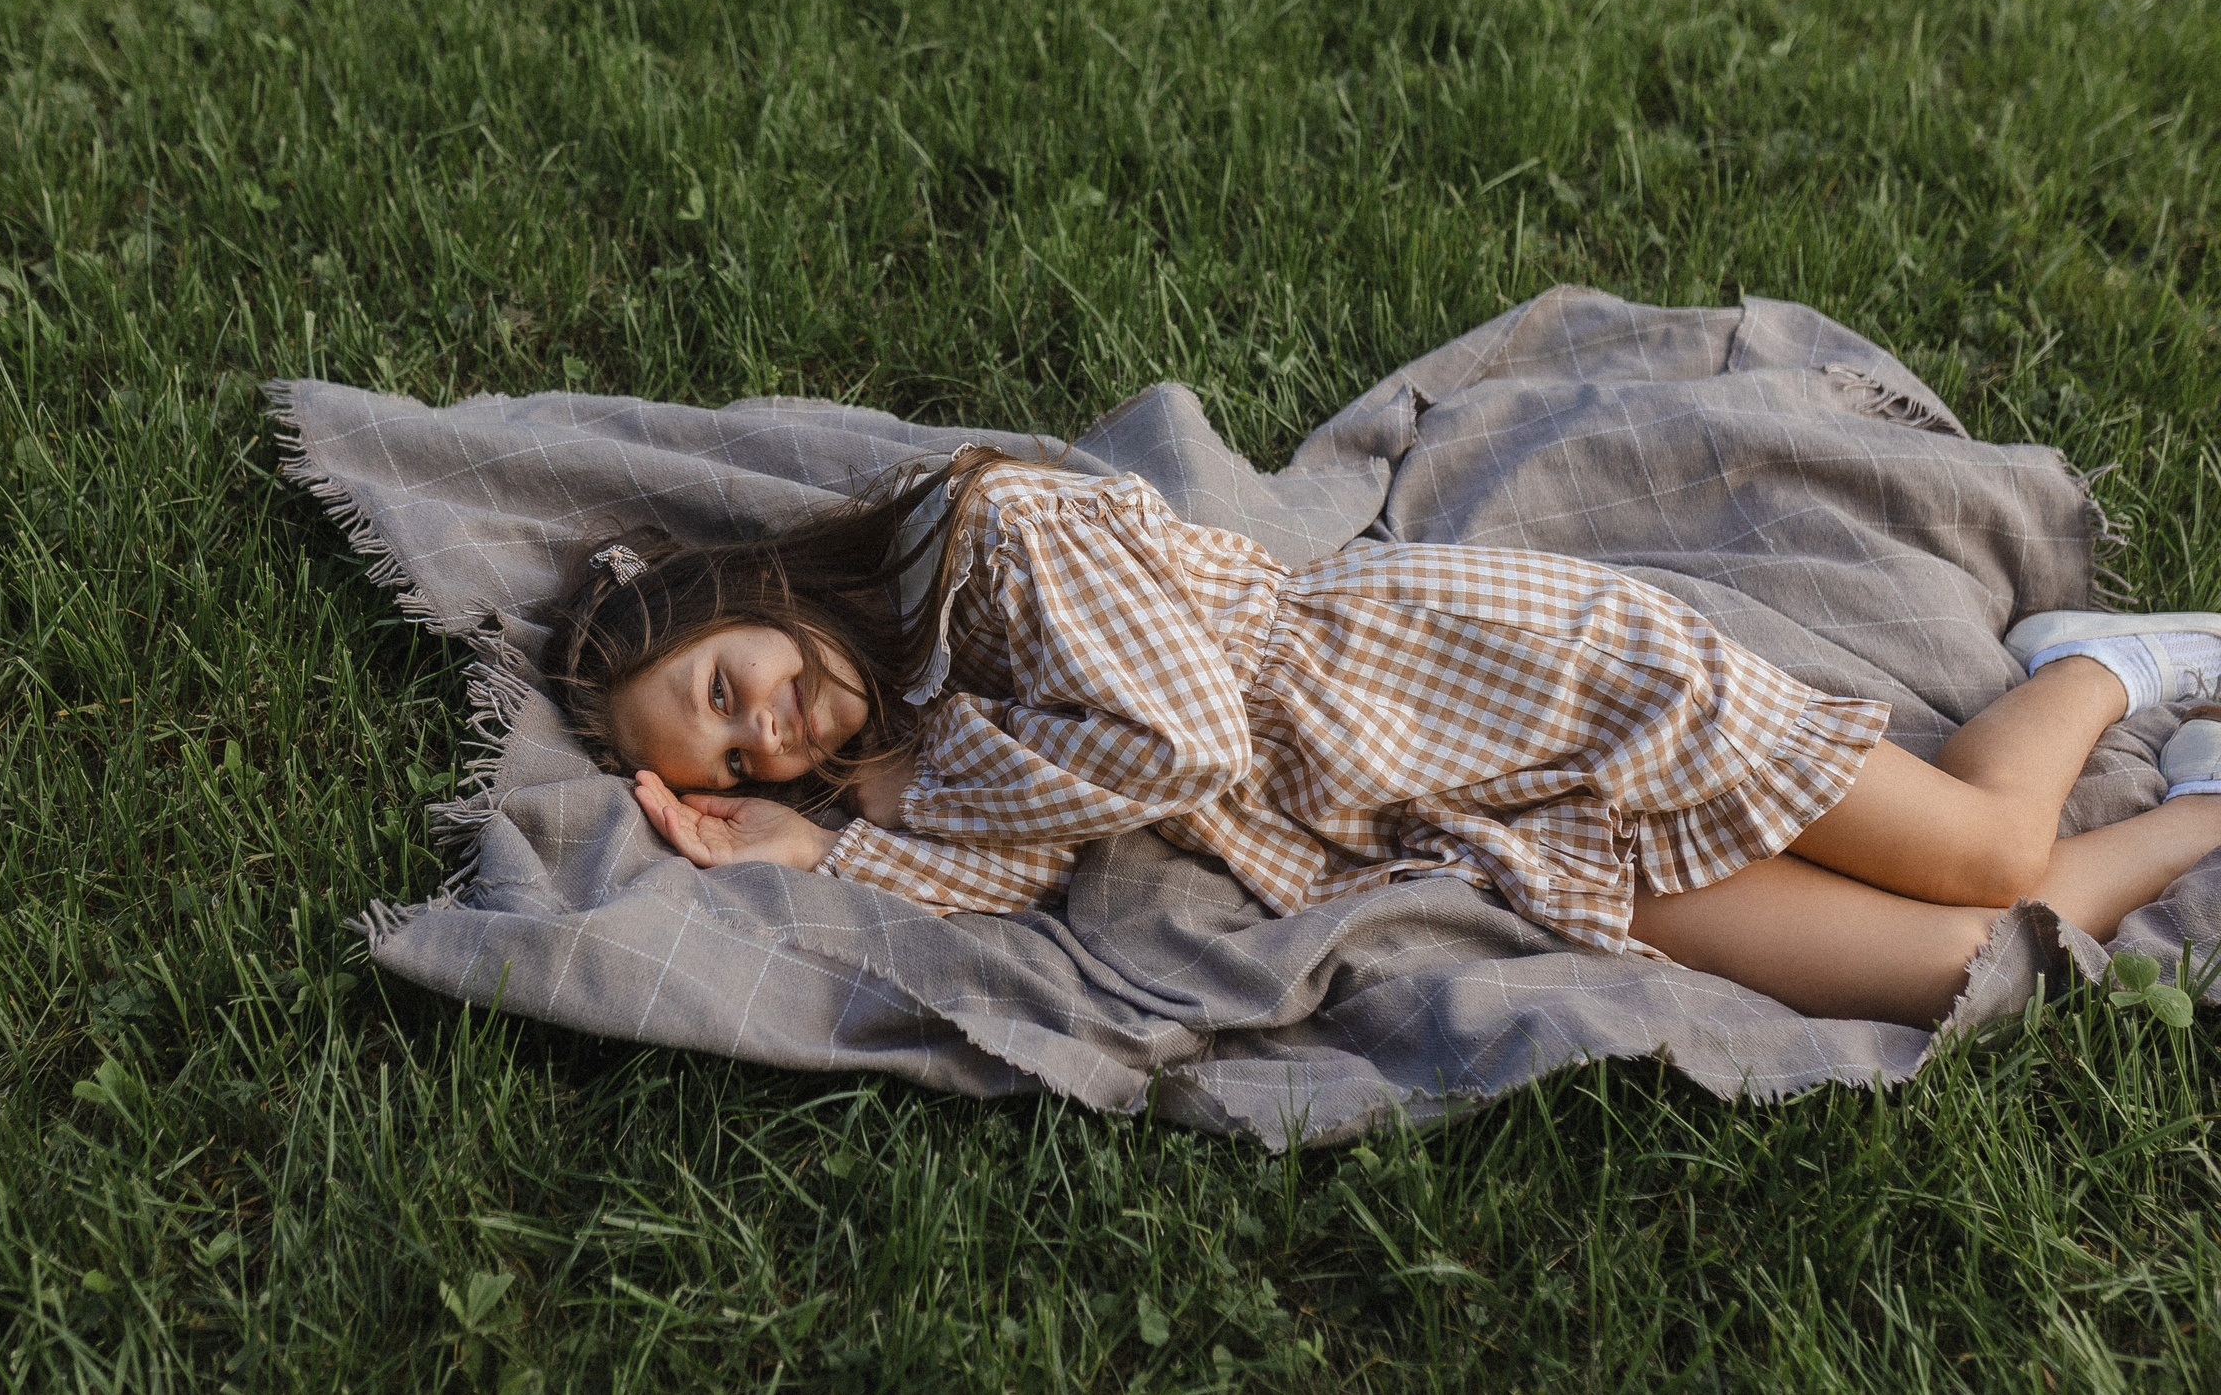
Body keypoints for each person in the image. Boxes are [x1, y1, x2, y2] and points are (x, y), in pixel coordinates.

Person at [544, 450, 2221, 1027]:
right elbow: (1011, 866)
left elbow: (1179, 736)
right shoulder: (928, 742)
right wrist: (825, 843)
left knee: (1993, 853)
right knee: (1949, 963)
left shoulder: (994, 545)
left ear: (749, 597)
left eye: (728, 690)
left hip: (1522, 680)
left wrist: (881, 823)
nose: (768, 736)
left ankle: (2103, 668)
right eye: (737, 766)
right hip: (1468, 831)